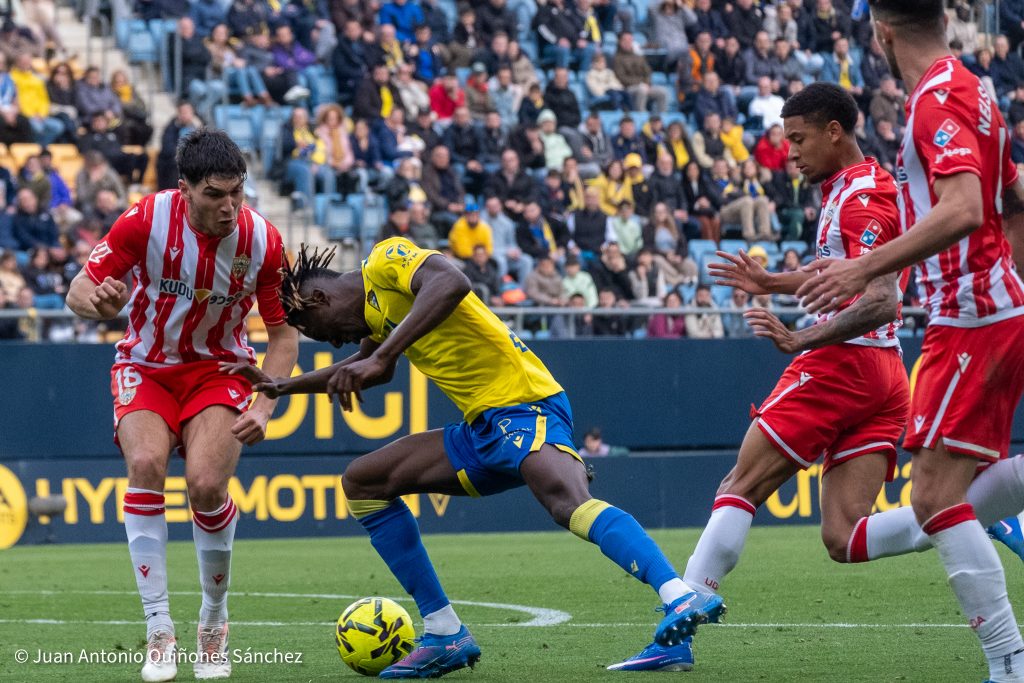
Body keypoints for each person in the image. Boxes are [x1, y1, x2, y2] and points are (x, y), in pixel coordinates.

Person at [224, 236, 722, 677]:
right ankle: (445, 631)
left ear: (319, 298)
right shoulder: (375, 315)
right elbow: (372, 366)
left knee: (566, 502)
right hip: (482, 427)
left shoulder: (385, 259)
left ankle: (679, 596)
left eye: (324, 332)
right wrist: (282, 386)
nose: (335, 342)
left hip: (525, 404)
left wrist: (384, 354)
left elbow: (451, 282)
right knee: (363, 483)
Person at [796, 5, 1024, 681]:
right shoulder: (976, 89)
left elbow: (964, 208)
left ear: (882, 32)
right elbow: (1014, 197)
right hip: (991, 307)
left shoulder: (935, 100)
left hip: (972, 316)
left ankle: (1009, 663)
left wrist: (864, 266)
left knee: (934, 499)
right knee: (952, 490)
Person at [653, 82, 910, 670]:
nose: (789, 153)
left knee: (739, 485)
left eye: (797, 139)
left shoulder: (861, 198)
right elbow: (840, 275)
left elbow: (881, 299)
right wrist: (773, 283)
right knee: (844, 536)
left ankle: (679, 630)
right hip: (886, 371)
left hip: (843, 363)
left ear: (834, 132)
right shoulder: (850, 186)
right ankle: (971, 514)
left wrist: (801, 339)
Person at [65, 130, 300, 682]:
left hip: (220, 370)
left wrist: (266, 405)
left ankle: (213, 621)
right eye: (215, 194)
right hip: (146, 366)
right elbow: (80, 290)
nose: (229, 206)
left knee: (206, 485)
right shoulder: (144, 220)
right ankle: (158, 628)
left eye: (237, 192)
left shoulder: (264, 242)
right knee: (146, 464)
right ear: (185, 189)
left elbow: (284, 337)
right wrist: (98, 305)